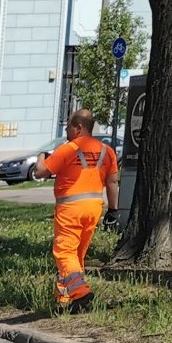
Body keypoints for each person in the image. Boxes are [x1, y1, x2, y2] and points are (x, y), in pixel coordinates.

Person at [38, 108, 119, 315]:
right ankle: (66, 295)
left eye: (68, 126)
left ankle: (80, 292)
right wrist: (113, 210)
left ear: (78, 128)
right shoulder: (106, 151)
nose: (66, 130)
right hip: (93, 207)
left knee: (64, 251)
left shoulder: (69, 148)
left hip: (70, 208)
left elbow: (41, 172)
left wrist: (41, 156)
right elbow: (112, 182)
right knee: (77, 254)